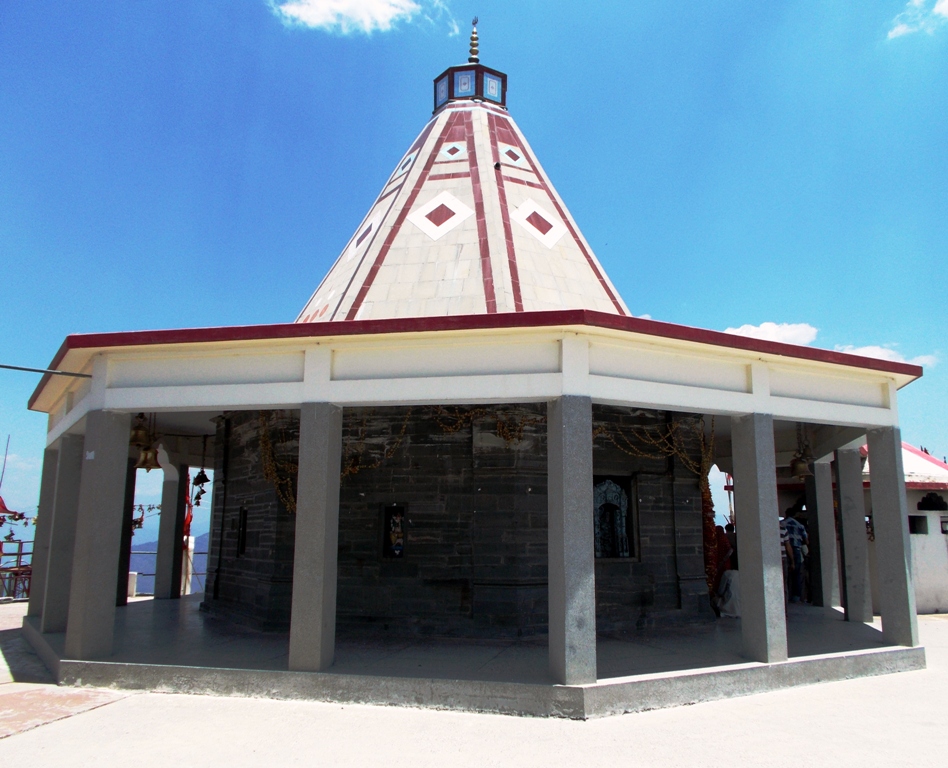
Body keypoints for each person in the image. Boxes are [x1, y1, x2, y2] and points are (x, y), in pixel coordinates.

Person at [783, 508, 808, 603]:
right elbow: (806, 541)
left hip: (784, 550)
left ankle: (786, 596)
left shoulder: (782, 524)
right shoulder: (800, 526)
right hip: (797, 550)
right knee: (797, 574)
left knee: (785, 574)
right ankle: (796, 597)